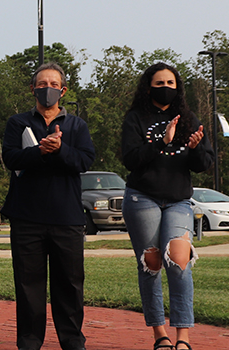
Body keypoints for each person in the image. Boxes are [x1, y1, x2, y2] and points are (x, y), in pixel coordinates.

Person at [0, 62, 95, 350]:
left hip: (66, 217)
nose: (48, 89)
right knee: (29, 285)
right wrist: (40, 151)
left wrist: (61, 149)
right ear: (32, 89)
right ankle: (29, 341)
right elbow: (11, 159)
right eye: (42, 84)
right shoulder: (18, 123)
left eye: (54, 85)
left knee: (69, 283)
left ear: (63, 91)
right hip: (26, 217)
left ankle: (72, 340)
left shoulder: (76, 125)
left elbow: (84, 161)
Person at [120, 62, 214, 350]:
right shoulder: (136, 118)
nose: (165, 89)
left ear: (178, 87)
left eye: (171, 84)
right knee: (152, 264)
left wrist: (197, 148)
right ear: (148, 87)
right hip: (142, 198)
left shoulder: (188, 117)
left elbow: (205, 164)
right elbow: (131, 159)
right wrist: (161, 142)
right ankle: (159, 334)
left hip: (178, 200)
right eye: (159, 84)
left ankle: (183, 338)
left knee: (179, 261)